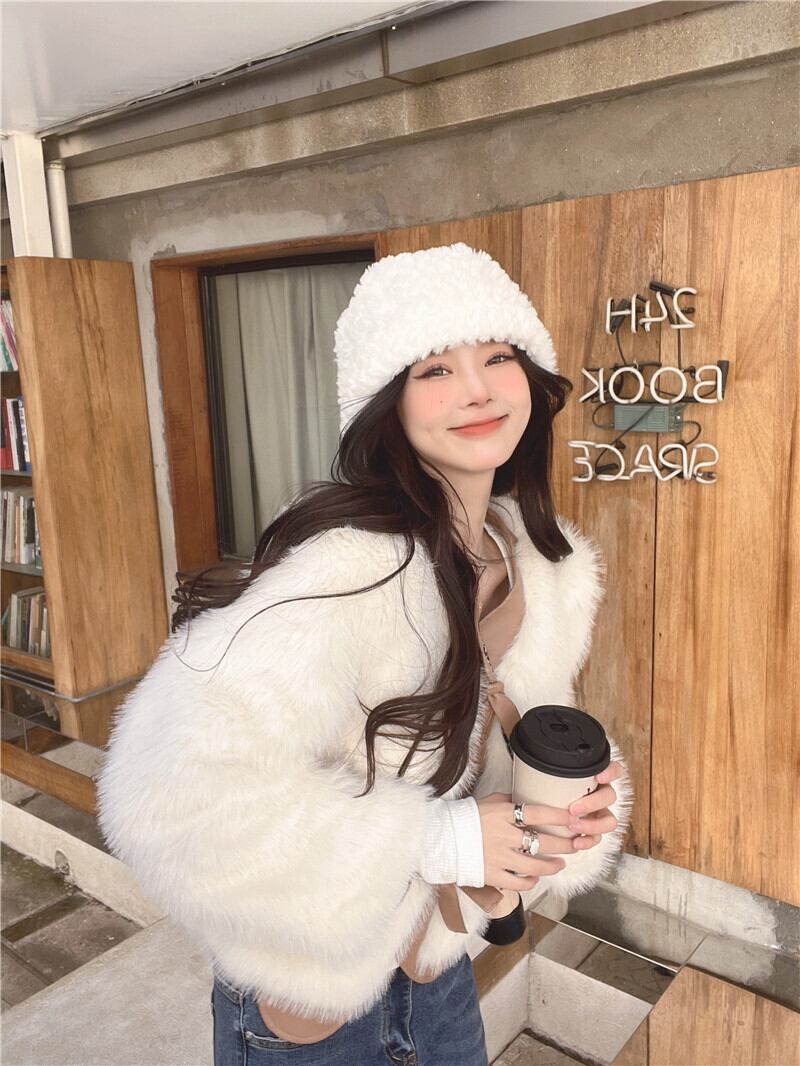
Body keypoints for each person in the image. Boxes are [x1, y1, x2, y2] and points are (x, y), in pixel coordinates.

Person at [95, 242, 633, 1066]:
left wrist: (569, 803)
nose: (479, 389)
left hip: (438, 976)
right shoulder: (348, 570)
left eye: (498, 356)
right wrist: (439, 841)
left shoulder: (537, 563)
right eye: (435, 369)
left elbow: (503, 752)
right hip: (309, 1003)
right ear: (387, 403)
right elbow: (168, 796)